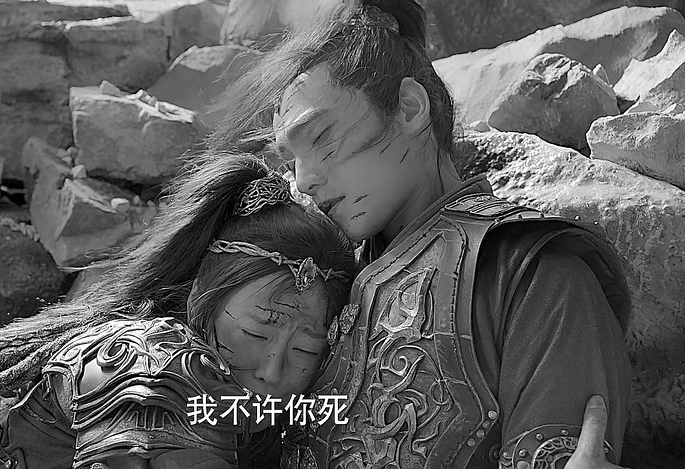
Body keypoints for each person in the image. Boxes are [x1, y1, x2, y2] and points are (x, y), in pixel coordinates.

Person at [210, 1, 634, 468]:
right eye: (291, 160)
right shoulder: (323, 280)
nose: (304, 179)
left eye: (321, 138)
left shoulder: (532, 276)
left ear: (410, 109)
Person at [0, 152, 357, 469]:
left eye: (305, 351)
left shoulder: (249, 404)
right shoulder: (157, 369)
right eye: (259, 331)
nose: (273, 370)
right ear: (204, 294)